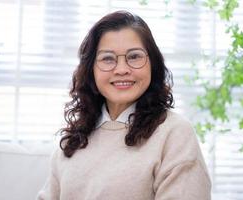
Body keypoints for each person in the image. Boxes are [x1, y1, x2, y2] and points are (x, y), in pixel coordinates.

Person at [37, 10, 211, 200]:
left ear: (152, 64)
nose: (121, 70)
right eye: (108, 58)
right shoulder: (74, 139)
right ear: (91, 70)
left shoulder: (174, 133)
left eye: (134, 56)